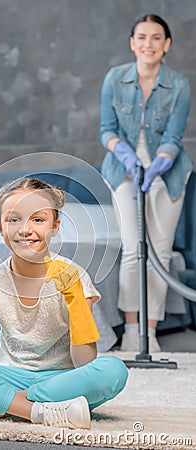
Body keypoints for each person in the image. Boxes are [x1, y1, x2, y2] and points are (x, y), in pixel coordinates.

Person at [0, 177, 128, 429]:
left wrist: (77, 305)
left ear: (55, 226)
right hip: (10, 376)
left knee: (113, 370)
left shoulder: (75, 276)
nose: (25, 229)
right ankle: (39, 411)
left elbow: (85, 364)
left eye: (38, 219)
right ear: (0, 226)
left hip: (62, 379)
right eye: (13, 219)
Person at [100, 13, 193, 352]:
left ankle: (150, 334)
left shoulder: (179, 84)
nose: (148, 44)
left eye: (156, 38)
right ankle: (131, 331)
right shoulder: (114, 79)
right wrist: (125, 154)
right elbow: (106, 129)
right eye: (142, 37)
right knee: (132, 250)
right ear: (132, 43)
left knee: (161, 253)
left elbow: (173, 136)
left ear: (167, 44)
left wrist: (157, 166)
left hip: (166, 173)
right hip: (123, 172)